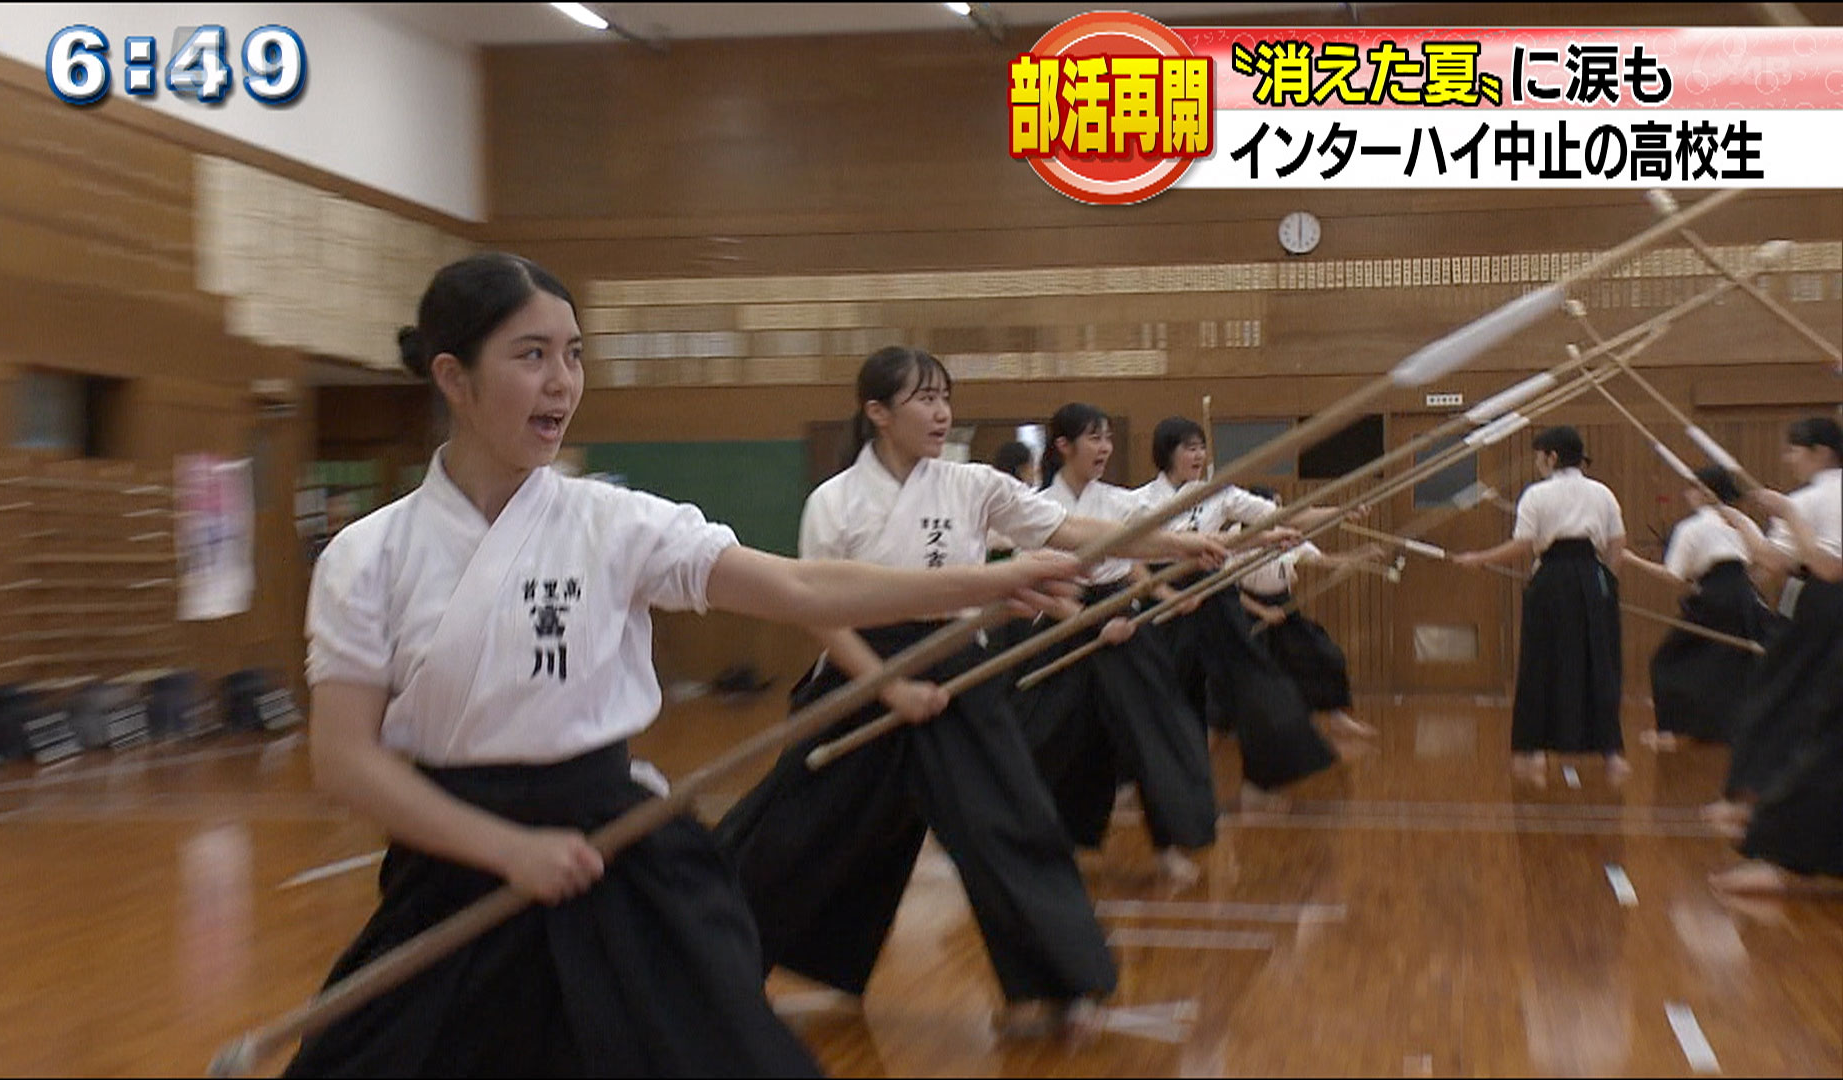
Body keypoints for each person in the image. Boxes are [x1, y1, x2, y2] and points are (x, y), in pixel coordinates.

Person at [287, 255, 1085, 1077]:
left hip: (617, 847)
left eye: (574, 353)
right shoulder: (368, 556)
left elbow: (798, 587)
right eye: (531, 356)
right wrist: (508, 850)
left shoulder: (616, 523)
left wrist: (993, 576)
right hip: (453, 870)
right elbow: (344, 761)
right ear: (453, 376)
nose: (562, 382)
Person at [716, 349, 1229, 1039]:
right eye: (924, 399)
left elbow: (1068, 531)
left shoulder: (970, 486)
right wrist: (889, 686)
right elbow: (820, 610)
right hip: (860, 671)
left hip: (957, 667)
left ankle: (1055, 986)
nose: (941, 412)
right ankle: (701, 962)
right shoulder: (834, 501)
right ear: (877, 412)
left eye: (945, 397)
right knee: (789, 828)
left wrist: (1170, 544)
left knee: (1010, 819)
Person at [1014, 403, 1217, 887]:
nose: (1105, 447)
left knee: (1156, 733)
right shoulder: (1037, 507)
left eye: (1108, 437)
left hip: (1121, 623)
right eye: (1093, 438)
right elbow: (1039, 583)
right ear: (1063, 446)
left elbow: (1150, 546)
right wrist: (1088, 622)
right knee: (1050, 739)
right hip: (1064, 624)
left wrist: (1257, 538)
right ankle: (1036, 845)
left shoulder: (1120, 503)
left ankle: (1168, 846)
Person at [1134, 416, 1338, 811]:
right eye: (1188, 447)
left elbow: (1282, 516)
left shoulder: (1219, 494)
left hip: (1214, 593)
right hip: (1166, 599)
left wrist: (1339, 511)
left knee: (1258, 685)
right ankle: (1138, 782)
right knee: (1160, 692)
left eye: (1200, 447)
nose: (1198, 454)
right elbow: (1131, 559)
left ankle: (1261, 784)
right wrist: (1166, 595)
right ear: (1166, 453)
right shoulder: (1143, 500)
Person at [1707, 423, 1842, 895]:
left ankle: (1778, 845)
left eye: (1795, 450)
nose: (1789, 458)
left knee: (1802, 717)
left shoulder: (1811, 500)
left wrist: (1775, 514)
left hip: (1827, 607)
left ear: (1820, 452)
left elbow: (1820, 567)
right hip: (1819, 607)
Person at [1454, 426, 1628, 786]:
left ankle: (1532, 754)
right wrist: (1605, 582)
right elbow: (1617, 542)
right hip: (1591, 577)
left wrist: (1478, 558)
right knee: (1600, 663)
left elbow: (1523, 545)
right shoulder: (1602, 493)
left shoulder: (1537, 494)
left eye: (1539, 456)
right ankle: (1612, 756)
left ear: (1551, 456)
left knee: (1540, 662)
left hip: (1551, 579)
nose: (1537, 463)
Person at [1616, 465, 1773, 750]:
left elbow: (1673, 576)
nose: (1687, 493)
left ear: (1704, 492)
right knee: (1733, 660)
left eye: (1692, 487)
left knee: (1667, 660)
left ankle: (1669, 734)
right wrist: (1734, 586)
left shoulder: (1691, 527)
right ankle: (1731, 731)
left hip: (1714, 597)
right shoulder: (1742, 522)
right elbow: (1765, 565)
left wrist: (1631, 559)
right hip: (1744, 596)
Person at [1237, 485, 1383, 742]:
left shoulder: (1287, 536)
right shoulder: (1236, 540)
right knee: (1256, 675)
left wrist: (1361, 556)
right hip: (1246, 612)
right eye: (1274, 508)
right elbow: (1228, 591)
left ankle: (1337, 719)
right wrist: (1262, 611)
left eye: (1280, 508)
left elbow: (1323, 560)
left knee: (1327, 656)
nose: (1279, 513)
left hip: (1282, 607)